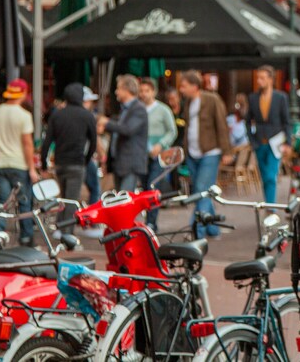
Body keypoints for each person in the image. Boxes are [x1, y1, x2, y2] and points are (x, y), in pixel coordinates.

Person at [179, 70, 232, 238]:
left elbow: (221, 125)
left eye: (184, 86)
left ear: (194, 86)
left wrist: (226, 150)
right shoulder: (188, 102)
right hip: (193, 153)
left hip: (210, 151)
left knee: (200, 190)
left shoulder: (211, 99)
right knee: (204, 191)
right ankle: (213, 228)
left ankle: (197, 231)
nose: (181, 89)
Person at [38, 83, 97, 234]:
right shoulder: (87, 115)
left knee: (63, 197)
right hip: (77, 162)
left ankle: (60, 228)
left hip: (60, 162)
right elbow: (93, 142)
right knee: (71, 199)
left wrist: (44, 163)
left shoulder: (57, 115)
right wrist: (86, 159)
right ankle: (67, 234)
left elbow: (47, 142)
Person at [0, 79, 38, 246]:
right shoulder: (24, 115)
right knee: (24, 201)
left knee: (2, 201)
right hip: (20, 165)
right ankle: (26, 237)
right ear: (23, 93)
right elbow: (27, 144)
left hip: (1, 163)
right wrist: (32, 168)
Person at [246, 66, 291, 203]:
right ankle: (268, 205)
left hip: (275, 142)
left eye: (262, 78)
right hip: (260, 143)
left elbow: (287, 121)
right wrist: (253, 141)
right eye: (258, 78)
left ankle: (271, 207)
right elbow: (247, 121)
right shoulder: (253, 98)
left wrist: (288, 143)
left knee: (271, 176)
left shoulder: (280, 97)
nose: (259, 81)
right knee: (265, 177)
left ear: (271, 79)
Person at [99, 75, 149, 193]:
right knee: (121, 200)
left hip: (130, 163)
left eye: (118, 88)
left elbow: (128, 130)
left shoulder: (138, 109)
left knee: (124, 201)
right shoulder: (125, 110)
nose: (116, 92)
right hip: (120, 163)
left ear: (127, 90)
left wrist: (107, 123)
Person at [138, 77, 177, 229]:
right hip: (142, 154)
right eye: (141, 91)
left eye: (147, 91)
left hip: (158, 155)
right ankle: (148, 218)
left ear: (153, 92)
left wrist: (161, 144)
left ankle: (152, 221)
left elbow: (172, 131)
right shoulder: (138, 109)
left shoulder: (163, 110)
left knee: (152, 185)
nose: (143, 94)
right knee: (145, 187)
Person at [81, 87, 102, 206]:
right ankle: (93, 215)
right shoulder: (88, 117)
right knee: (95, 188)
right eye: (89, 101)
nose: (91, 104)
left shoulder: (69, 114)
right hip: (84, 157)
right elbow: (94, 140)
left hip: (71, 158)